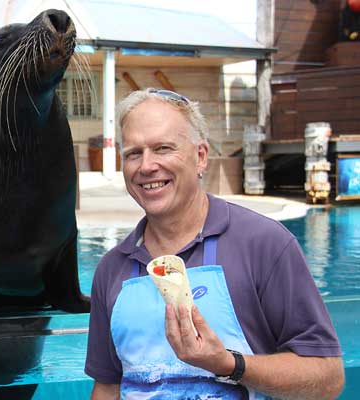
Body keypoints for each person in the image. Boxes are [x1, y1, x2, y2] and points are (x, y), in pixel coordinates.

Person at [85, 89, 344, 399]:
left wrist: (229, 364)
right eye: (133, 153)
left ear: (201, 156)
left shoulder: (264, 244)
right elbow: (108, 387)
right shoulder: (112, 269)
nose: (147, 166)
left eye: (163, 148)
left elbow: (328, 377)